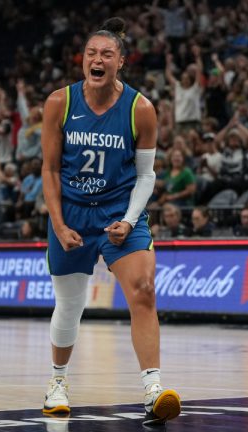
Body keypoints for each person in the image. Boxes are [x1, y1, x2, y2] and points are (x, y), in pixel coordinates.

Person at [40, 18, 180, 425]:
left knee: (144, 290)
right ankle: (57, 382)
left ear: (121, 61)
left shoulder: (141, 109)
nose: (97, 59)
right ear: (82, 60)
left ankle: (154, 390)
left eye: (106, 54)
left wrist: (130, 218)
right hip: (72, 213)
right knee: (70, 305)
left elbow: (146, 176)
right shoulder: (59, 103)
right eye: (91, 54)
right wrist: (59, 222)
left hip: (120, 210)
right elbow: (49, 170)